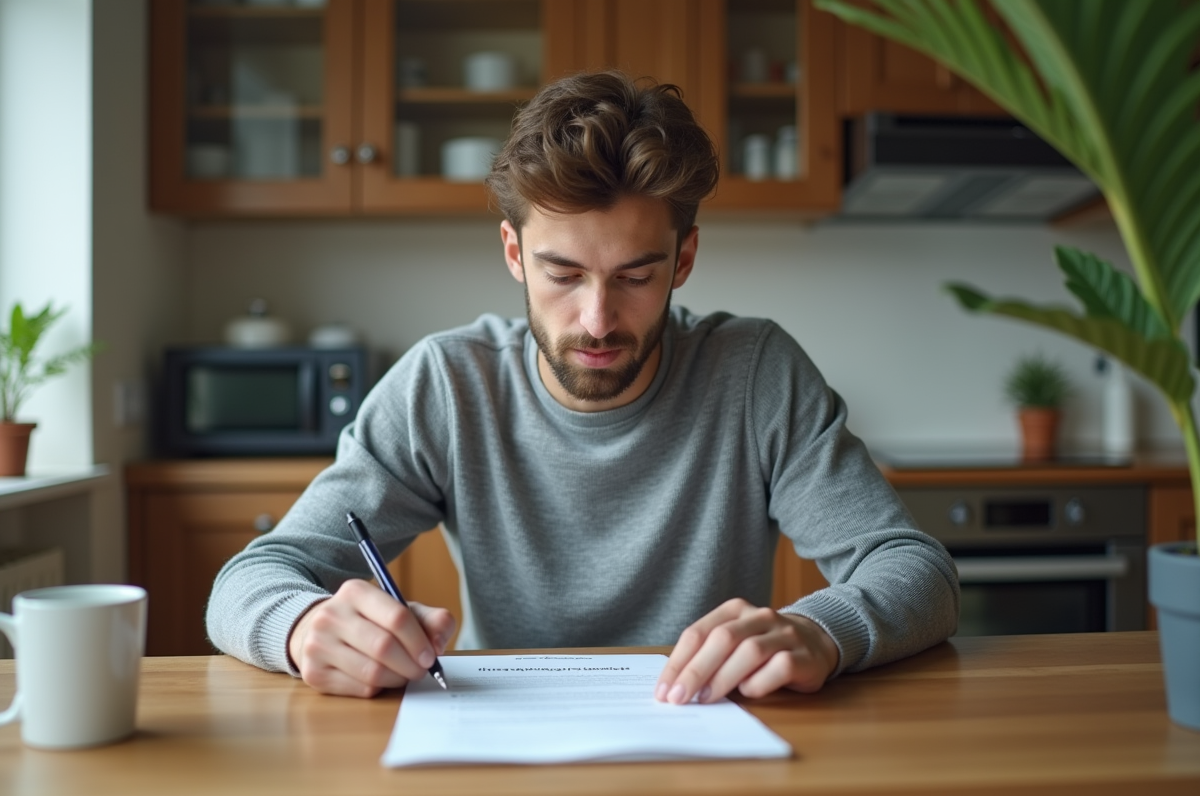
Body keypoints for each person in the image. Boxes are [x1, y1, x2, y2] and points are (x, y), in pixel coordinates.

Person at [206, 70, 959, 704]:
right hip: (503, 746)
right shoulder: (446, 384)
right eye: (563, 275)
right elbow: (253, 578)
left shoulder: (754, 371)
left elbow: (917, 571)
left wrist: (822, 628)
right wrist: (303, 628)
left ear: (684, 259)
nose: (597, 320)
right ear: (514, 252)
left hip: (705, 743)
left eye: (636, 276)